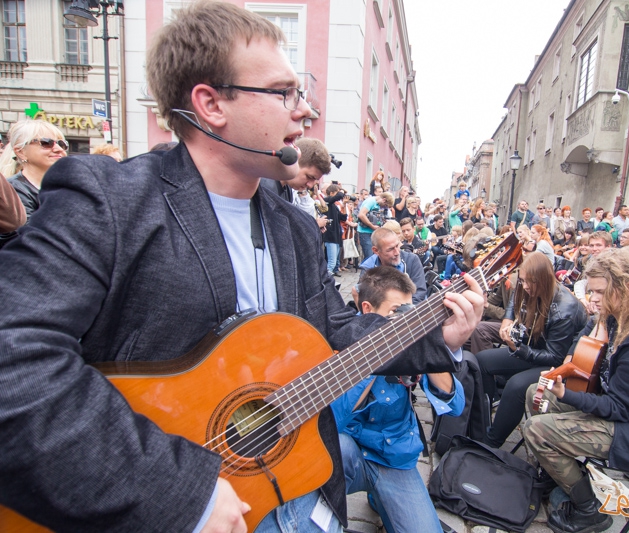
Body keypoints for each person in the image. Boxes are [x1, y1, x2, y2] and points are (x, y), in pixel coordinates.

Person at [0, 4, 486, 531]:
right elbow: (14, 360)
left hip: (295, 491)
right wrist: (178, 492)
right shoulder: (109, 200)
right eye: (284, 93)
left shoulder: (294, 228)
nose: (306, 112)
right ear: (210, 104)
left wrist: (441, 335)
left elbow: (336, 332)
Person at [526, 248, 629, 533]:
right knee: (534, 393)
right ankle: (559, 473)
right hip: (627, 414)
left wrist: (566, 394)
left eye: (601, 292)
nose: (592, 299)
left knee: (537, 429)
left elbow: (619, 408)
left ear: (628, 287)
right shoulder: (622, 319)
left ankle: (588, 510)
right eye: (592, 292)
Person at [332, 266, 464, 533]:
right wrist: (373, 355)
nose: (404, 320)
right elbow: (333, 419)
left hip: (392, 457)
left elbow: (456, 406)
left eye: (408, 311)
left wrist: (424, 346)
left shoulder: (411, 347)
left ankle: (380, 496)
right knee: (330, 452)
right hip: (346, 452)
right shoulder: (341, 338)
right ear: (367, 310)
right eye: (396, 312)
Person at [476, 252, 587, 448]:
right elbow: (514, 299)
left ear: (544, 280)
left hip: (558, 365)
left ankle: (492, 441)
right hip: (534, 347)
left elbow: (555, 356)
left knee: (517, 386)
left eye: (530, 282)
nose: (525, 286)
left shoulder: (565, 310)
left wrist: (517, 349)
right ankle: (485, 416)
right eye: (523, 281)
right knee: (482, 361)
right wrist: (507, 321)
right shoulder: (528, 286)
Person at [0, 119, 68, 219]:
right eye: (46, 143)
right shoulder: (12, 191)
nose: (59, 149)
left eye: (61, 143)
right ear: (21, 152)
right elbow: (25, 233)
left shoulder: (70, 184)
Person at [359, 227, 427, 305]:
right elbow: (364, 299)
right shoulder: (368, 267)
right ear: (376, 250)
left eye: (397, 245)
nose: (397, 252)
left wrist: (402, 310)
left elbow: (419, 292)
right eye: (390, 249)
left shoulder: (411, 260)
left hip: (407, 311)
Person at [357, 191, 395, 260]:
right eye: (385, 205)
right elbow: (361, 215)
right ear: (384, 199)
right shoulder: (371, 202)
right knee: (369, 257)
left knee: (375, 257)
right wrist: (372, 226)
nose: (383, 207)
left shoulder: (377, 204)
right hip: (365, 232)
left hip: (373, 233)